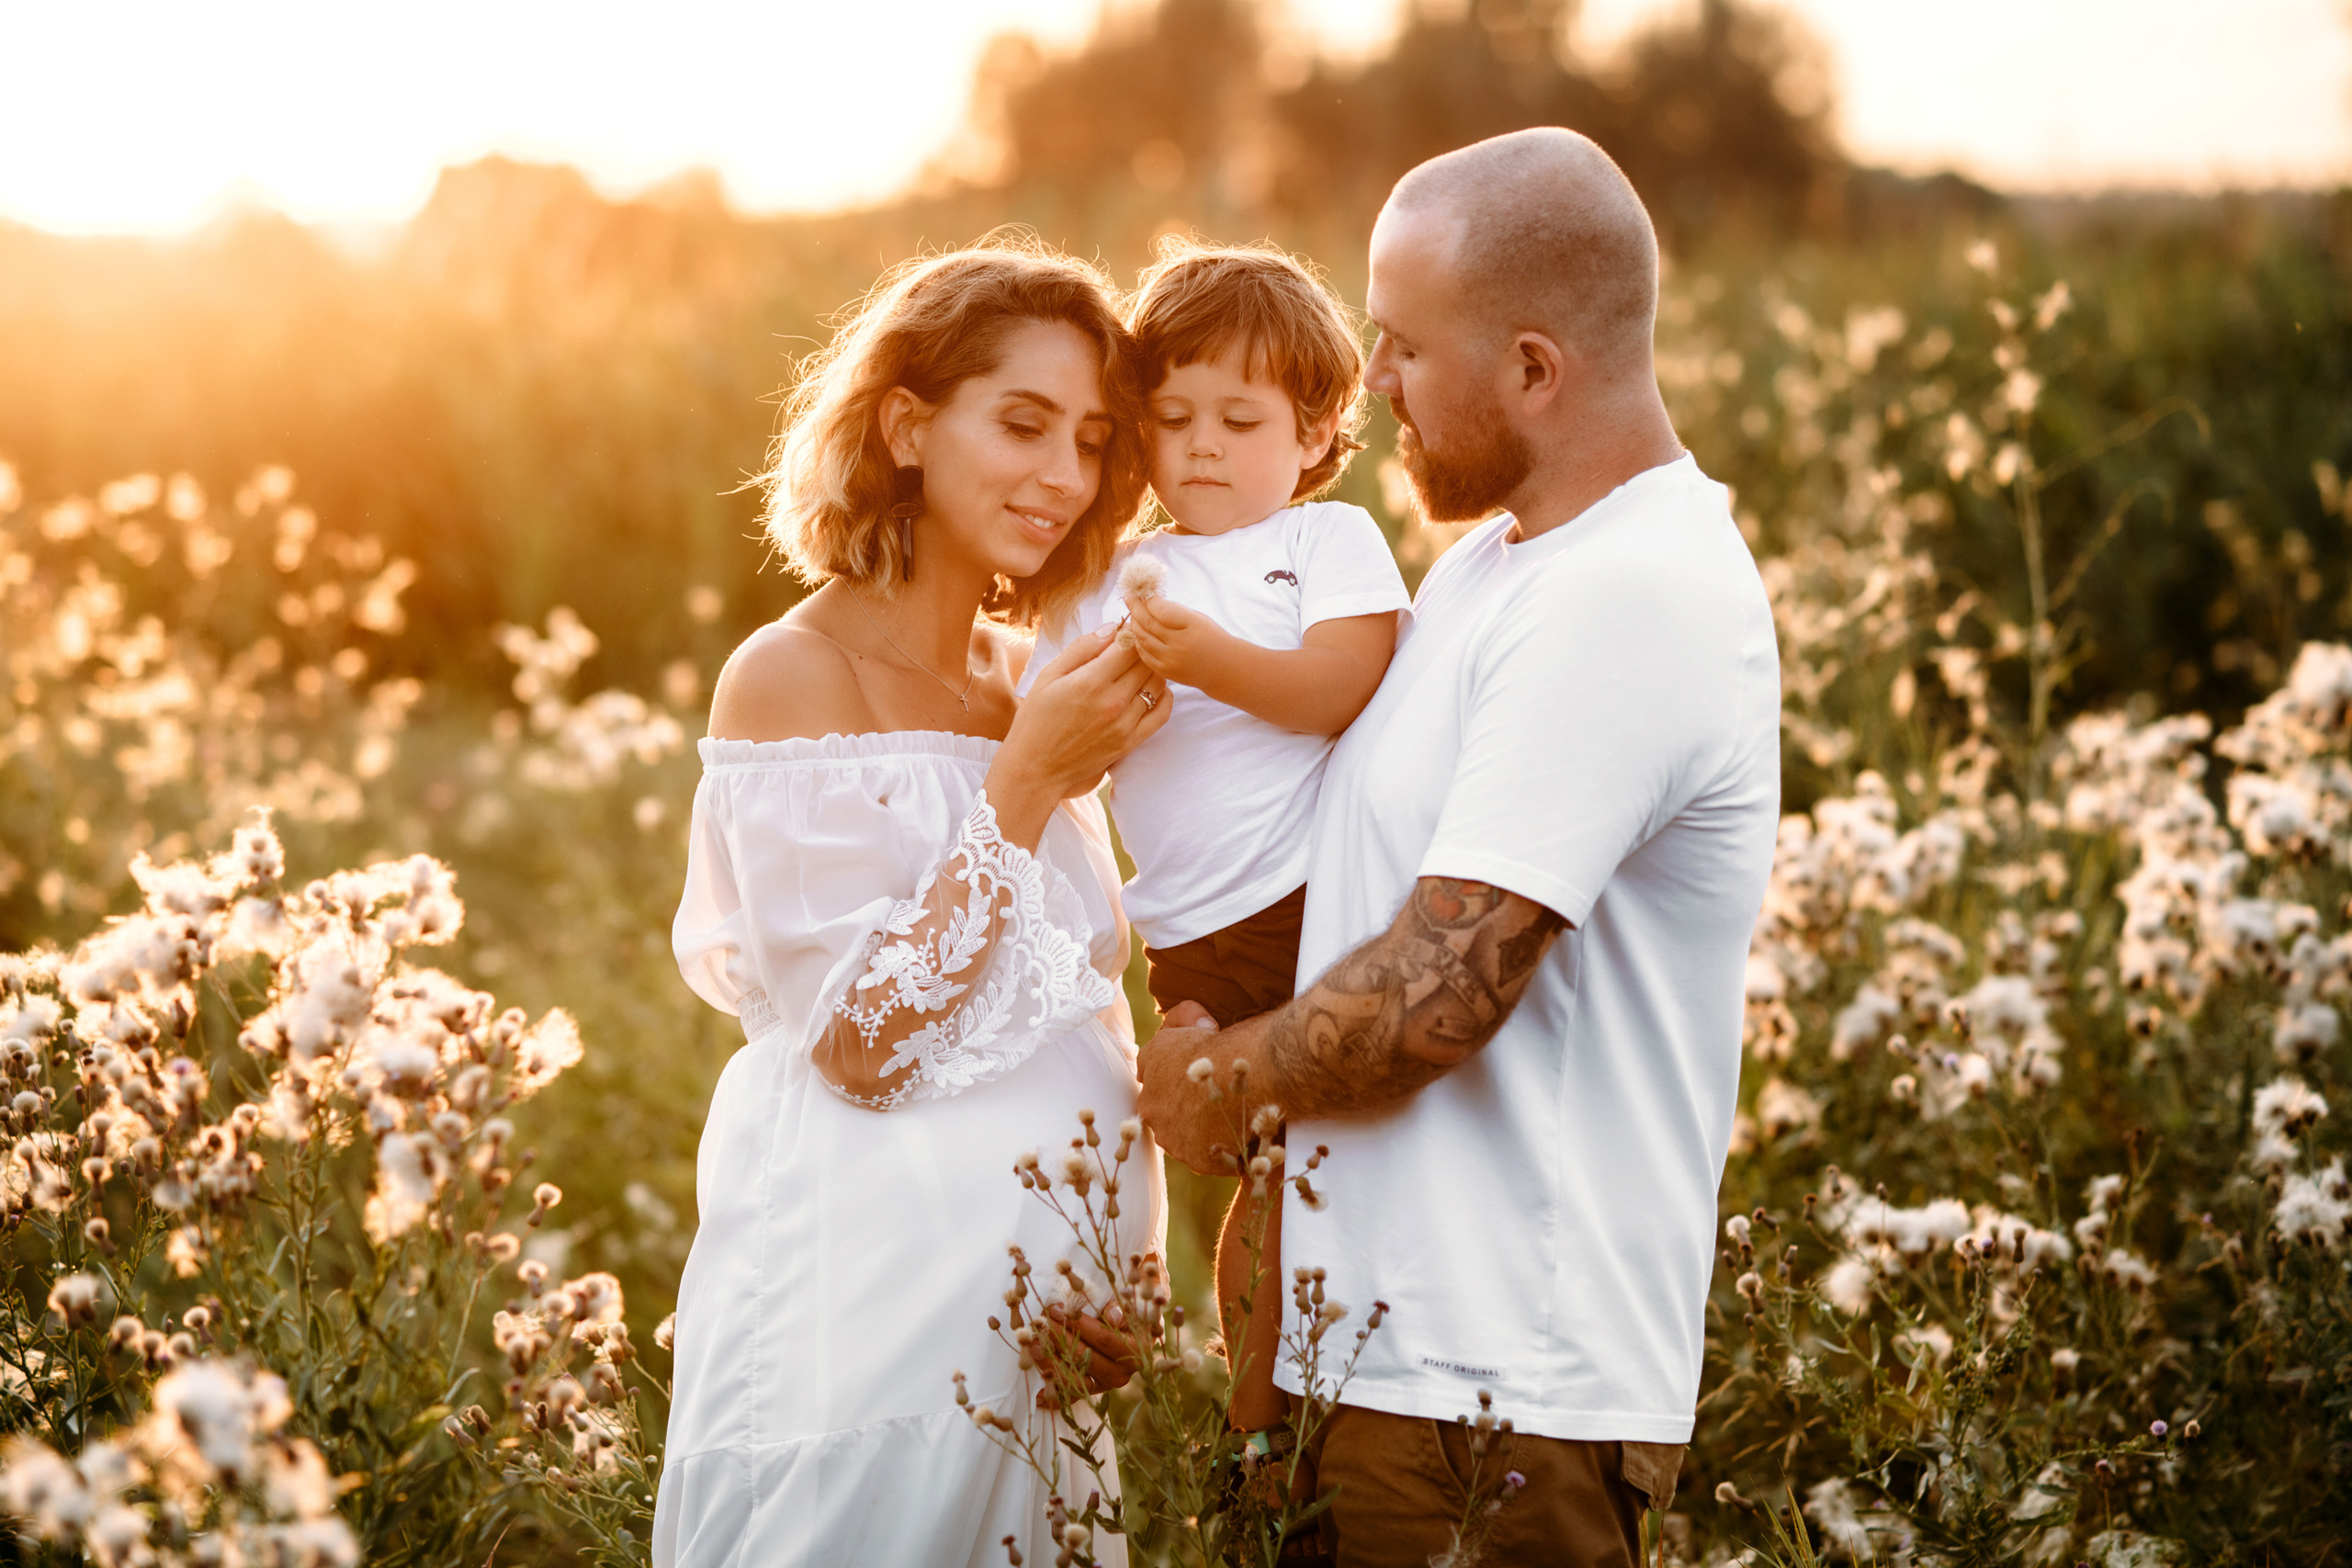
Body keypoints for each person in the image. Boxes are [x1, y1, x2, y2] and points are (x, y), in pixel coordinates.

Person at [1135, 129, 1782, 1567]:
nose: (1368, 384)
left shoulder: (1631, 594)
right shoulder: (1496, 564)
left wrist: (1205, 1084)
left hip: (1491, 1407)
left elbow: (1441, 989)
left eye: (1402, 348)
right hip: (1362, 1370)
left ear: (1535, 371)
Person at [660, 241, 1171, 1567]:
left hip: (1032, 1341)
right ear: (906, 423)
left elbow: (1085, 1015)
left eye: (1092, 440)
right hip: (865, 1310)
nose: (1062, 476)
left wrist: (1129, 1264)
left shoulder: (1035, 674)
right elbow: (863, 1044)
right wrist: (1024, 786)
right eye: (1022, 423)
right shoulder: (792, 677)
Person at [1019, 242, 1409, 1441]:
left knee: (1321, 1167)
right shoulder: (1114, 576)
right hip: (1192, 932)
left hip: (1319, 905)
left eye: (1240, 419)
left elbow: (1340, 685)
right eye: (1171, 416)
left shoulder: (1325, 543)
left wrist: (1202, 660)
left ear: (1314, 431)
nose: (1199, 446)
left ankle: (1279, 1412)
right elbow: (1048, 725)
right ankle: (1254, 1411)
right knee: (1233, 1164)